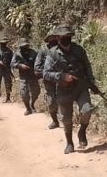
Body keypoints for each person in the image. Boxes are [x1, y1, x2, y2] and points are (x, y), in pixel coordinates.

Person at [42, 25, 101, 154]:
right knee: (66, 120)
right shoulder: (52, 53)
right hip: (64, 89)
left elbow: (87, 66)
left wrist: (91, 82)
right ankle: (69, 143)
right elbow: (46, 73)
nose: (66, 39)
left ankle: (82, 132)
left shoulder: (79, 50)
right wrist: (62, 76)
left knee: (87, 110)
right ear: (58, 38)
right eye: (63, 37)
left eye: (68, 36)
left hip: (81, 87)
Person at [34, 29, 61, 129]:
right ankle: (55, 121)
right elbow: (37, 67)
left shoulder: (62, 48)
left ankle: (67, 119)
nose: (53, 40)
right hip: (49, 80)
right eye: (51, 38)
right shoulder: (43, 50)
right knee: (51, 100)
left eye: (55, 38)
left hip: (62, 78)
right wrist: (48, 73)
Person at [11, 39, 41, 115]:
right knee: (24, 93)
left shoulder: (33, 52)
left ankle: (32, 104)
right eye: (23, 46)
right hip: (23, 77)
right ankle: (28, 108)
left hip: (33, 76)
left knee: (36, 92)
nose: (25, 48)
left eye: (26, 46)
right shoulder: (17, 54)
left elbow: (38, 62)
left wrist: (38, 72)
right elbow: (12, 64)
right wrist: (20, 65)